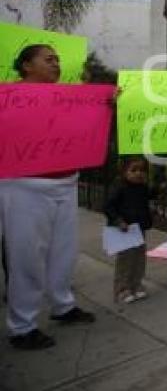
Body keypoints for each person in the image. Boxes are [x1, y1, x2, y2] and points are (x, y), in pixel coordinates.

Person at [0, 44, 96, 351]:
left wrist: (102, 100)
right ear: (27, 65)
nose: (56, 64)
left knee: (63, 252)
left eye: (57, 59)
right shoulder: (9, 97)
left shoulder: (66, 95)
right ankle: (22, 326)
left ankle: (63, 305)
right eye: (48, 59)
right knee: (26, 256)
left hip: (66, 184)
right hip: (25, 187)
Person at [103, 156, 153, 304]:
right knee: (126, 260)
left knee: (139, 258)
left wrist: (158, 189)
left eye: (142, 170)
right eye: (134, 170)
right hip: (124, 230)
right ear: (124, 172)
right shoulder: (120, 187)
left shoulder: (142, 187)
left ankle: (136, 284)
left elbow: (149, 197)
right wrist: (118, 220)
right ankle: (122, 289)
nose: (138, 173)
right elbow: (108, 206)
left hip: (139, 229)